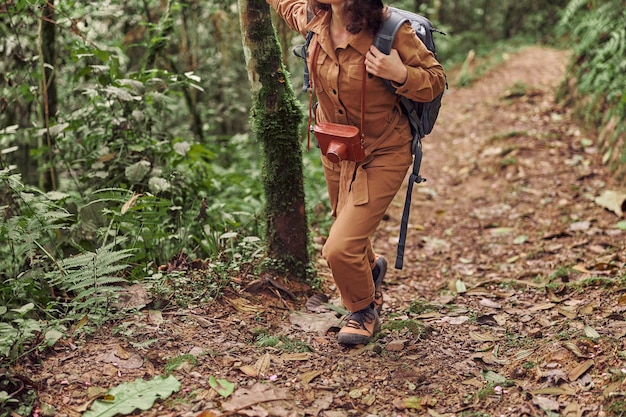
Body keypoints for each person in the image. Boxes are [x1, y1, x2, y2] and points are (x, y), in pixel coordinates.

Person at [267, 0, 446, 345]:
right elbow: (287, 5)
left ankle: (363, 309)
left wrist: (401, 74)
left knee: (339, 247)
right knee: (344, 224)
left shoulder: (390, 30)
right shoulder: (315, 18)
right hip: (338, 148)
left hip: (384, 149)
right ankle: (371, 271)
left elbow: (435, 79)